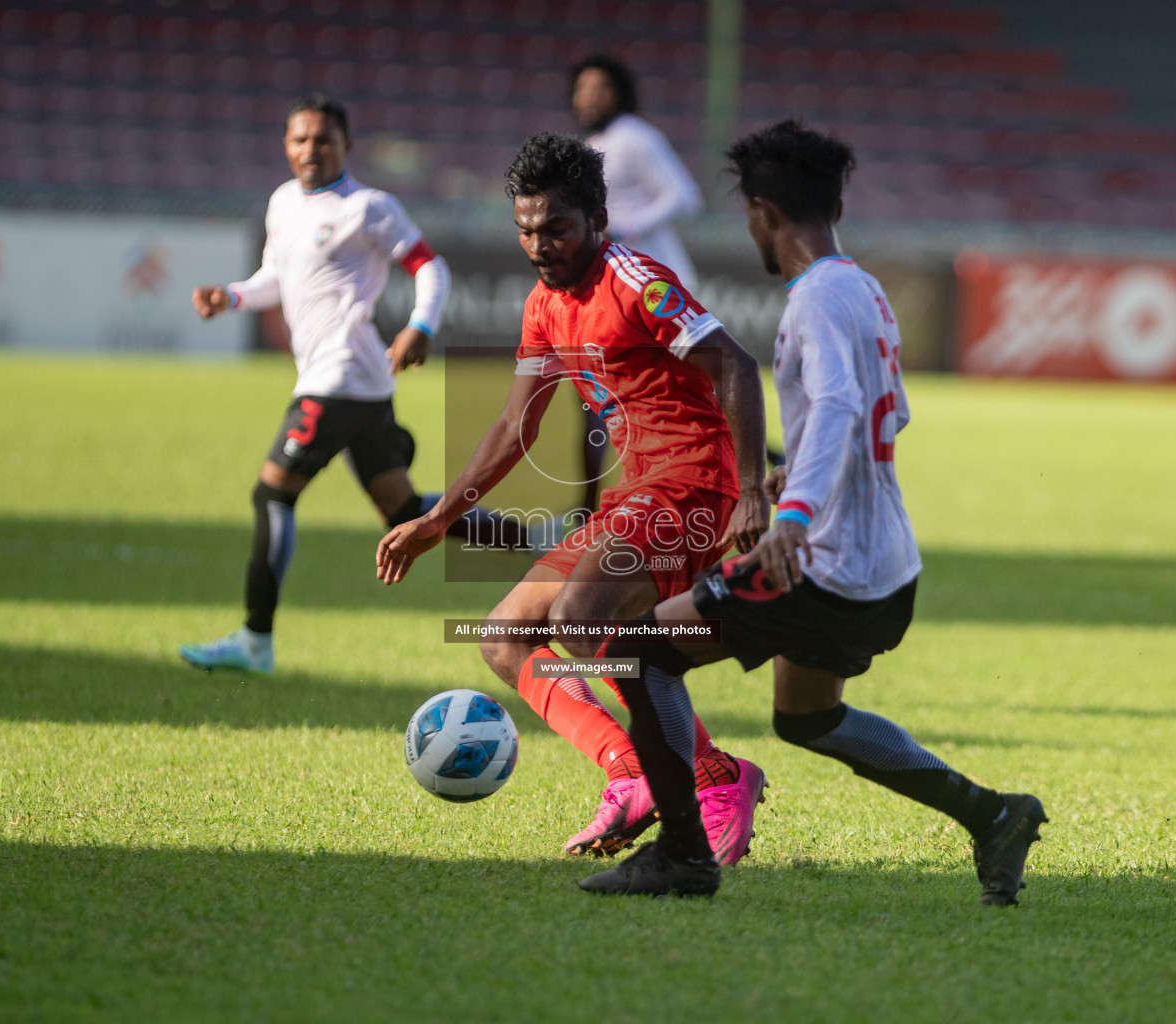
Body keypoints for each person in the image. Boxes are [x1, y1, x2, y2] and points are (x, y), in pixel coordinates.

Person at [576, 121, 1048, 904]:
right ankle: (992, 814)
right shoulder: (864, 290)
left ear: (762, 211)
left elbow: (833, 406)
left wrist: (790, 512)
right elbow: (885, 418)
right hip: (886, 571)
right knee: (806, 719)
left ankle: (685, 856)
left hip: (820, 566)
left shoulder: (814, 301)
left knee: (641, 651)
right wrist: (796, 479)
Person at [376, 133, 770, 865]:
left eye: (555, 227)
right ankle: (630, 775)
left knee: (579, 615)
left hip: (693, 486)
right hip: (637, 495)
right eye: (526, 229)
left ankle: (714, 778)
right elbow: (515, 423)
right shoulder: (543, 305)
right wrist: (439, 518)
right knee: (503, 636)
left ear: (596, 218)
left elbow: (736, 361)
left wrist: (750, 492)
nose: (539, 244)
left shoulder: (636, 281)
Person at [180, 94, 521, 675]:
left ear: (345, 146)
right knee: (403, 509)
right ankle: (537, 537)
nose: (310, 150)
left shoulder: (369, 207)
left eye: (322, 139)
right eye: (299, 140)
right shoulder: (283, 202)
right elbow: (277, 279)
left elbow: (429, 267)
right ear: (286, 145)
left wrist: (419, 326)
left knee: (272, 493)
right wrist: (231, 296)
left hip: (338, 376)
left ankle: (255, 641)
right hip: (357, 384)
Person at [570, 55, 705, 513]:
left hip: (657, 293)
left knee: (651, 402)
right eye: (581, 88)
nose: (587, 97)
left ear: (620, 93)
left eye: (599, 88)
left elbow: (686, 196)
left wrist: (626, 227)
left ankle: (595, 511)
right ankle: (590, 510)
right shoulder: (596, 144)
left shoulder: (636, 138)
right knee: (601, 396)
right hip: (622, 294)